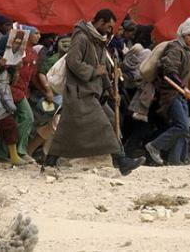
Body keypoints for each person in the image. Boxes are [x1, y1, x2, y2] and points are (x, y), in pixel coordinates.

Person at [44, 9, 145, 176]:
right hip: (79, 93)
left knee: (73, 129)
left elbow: (103, 68)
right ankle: (122, 161)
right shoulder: (82, 37)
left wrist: (111, 90)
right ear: (100, 22)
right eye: (108, 26)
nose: (110, 30)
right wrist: (93, 71)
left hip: (92, 92)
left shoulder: (98, 41)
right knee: (104, 125)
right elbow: (73, 62)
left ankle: (50, 161)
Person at [145, 18, 190, 166]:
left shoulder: (187, 51)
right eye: (189, 35)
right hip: (171, 94)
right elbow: (169, 71)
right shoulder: (175, 48)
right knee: (181, 126)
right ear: (182, 34)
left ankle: (177, 160)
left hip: (181, 94)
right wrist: (183, 86)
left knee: (185, 130)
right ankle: (154, 146)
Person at [0, 25, 39, 163]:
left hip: (20, 90)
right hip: (10, 90)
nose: (39, 36)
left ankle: (1, 153)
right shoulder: (3, 54)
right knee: (27, 117)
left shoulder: (32, 53)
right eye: (36, 33)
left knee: (8, 122)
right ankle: (20, 151)